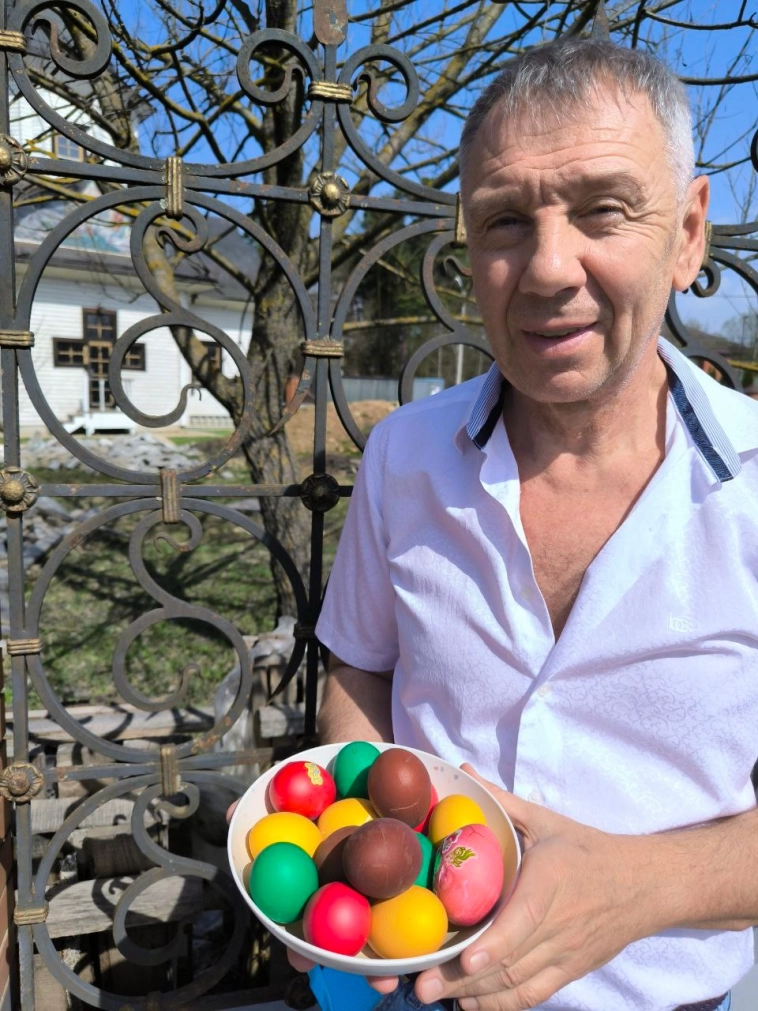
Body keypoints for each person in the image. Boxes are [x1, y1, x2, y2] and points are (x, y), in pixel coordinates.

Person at [312, 37, 758, 1011]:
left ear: (687, 234)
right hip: (416, 990)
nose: (549, 268)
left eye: (603, 209)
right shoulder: (402, 458)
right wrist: (356, 842)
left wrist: (640, 889)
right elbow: (359, 667)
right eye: (505, 221)